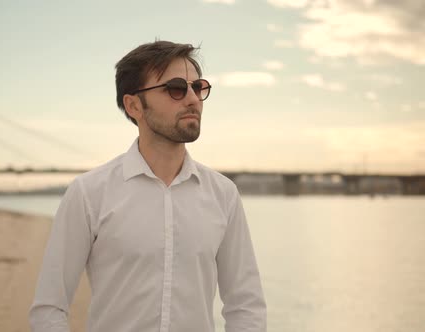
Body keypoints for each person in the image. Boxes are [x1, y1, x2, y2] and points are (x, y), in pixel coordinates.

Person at [29, 40, 266, 332]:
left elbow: (246, 306)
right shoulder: (89, 194)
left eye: (198, 87)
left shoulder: (223, 195)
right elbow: (49, 308)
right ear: (134, 105)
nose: (192, 99)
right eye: (176, 88)